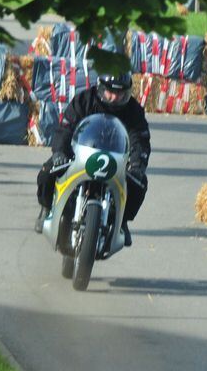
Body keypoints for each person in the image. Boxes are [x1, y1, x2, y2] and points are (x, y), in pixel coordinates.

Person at [35, 73, 151, 246]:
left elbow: (140, 140)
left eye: (120, 94)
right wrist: (60, 152)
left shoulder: (134, 110)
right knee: (47, 172)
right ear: (101, 88)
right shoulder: (83, 100)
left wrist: (137, 165)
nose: (114, 98)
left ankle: (122, 221)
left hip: (115, 159)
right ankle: (45, 208)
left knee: (139, 183)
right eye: (110, 92)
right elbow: (65, 128)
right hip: (80, 154)